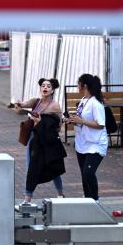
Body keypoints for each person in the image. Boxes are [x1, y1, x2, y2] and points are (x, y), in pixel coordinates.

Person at [11, 78, 66, 203]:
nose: (45, 88)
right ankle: (27, 199)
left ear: (52, 90)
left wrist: (41, 122)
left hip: (48, 140)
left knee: (53, 165)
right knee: (32, 168)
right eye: (43, 85)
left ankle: (60, 194)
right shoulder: (36, 101)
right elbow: (23, 105)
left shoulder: (55, 105)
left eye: (48, 86)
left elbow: (58, 124)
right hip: (34, 139)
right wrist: (19, 105)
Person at [68, 74, 108, 202]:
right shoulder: (83, 100)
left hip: (95, 144)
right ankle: (87, 200)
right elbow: (81, 120)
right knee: (84, 175)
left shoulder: (95, 103)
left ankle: (95, 200)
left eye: (78, 83)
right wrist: (73, 120)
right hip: (82, 143)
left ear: (84, 85)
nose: (77, 86)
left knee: (88, 172)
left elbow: (100, 124)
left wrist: (82, 121)